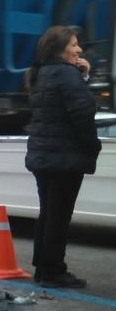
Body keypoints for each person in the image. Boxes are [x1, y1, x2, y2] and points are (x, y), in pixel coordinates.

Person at [25, 25, 101, 289]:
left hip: (45, 156)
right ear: (60, 49)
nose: (79, 49)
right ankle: (54, 271)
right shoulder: (67, 76)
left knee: (49, 213)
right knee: (59, 216)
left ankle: (43, 268)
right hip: (64, 157)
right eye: (74, 44)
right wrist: (92, 146)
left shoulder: (42, 74)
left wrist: (83, 76)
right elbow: (83, 112)